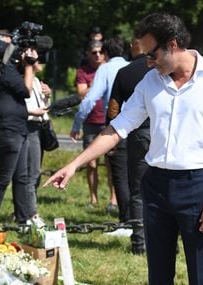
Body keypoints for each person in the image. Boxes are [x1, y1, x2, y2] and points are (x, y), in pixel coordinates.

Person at [44, 13, 203, 285]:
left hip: (199, 186)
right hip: (156, 187)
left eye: (151, 55)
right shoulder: (151, 81)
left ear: (172, 45)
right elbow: (118, 127)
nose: (148, 63)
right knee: (159, 279)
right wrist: (74, 164)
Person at [0, 30, 41, 224]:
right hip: (9, 130)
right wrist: (29, 66)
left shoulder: (2, 69)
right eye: (7, 44)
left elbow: (11, 101)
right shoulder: (2, 70)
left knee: (21, 177)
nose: (12, 48)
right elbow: (26, 90)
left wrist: (28, 64)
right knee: (3, 179)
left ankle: (22, 220)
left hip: (17, 127)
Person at [71, 36, 130, 220]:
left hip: (113, 124)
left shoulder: (105, 69)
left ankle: (125, 217)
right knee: (127, 172)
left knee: (116, 169)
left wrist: (76, 123)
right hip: (135, 125)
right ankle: (130, 213)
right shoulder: (132, 67)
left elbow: (90, 99)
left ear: (105, 53)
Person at [107, 37, 151, 254]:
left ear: (135, 48)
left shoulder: (125, 72)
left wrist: (112, 137)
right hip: (166, 134)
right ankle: (167, 241)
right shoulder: (163, 69)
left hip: (139, 134)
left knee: (138, 191)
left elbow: (113, 107)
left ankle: (140, 244)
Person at [74, 40, 116, 208]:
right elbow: (81, 93)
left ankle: (113, 199)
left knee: (111, 163)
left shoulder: (110, 69)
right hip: (91, 122)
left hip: (109, 121)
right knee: (91, 163)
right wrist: (96, 84)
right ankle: (93, 198)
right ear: (87, 54)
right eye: (94, 52)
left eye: (100, 52)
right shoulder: (83, 71)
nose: (97, 55)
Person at [25, 60, 51, 221]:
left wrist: (47, 96)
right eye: (39, 59)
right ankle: (31, 213)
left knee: (35, 172)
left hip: (39, 127)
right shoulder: (25, 80)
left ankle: (24, 210)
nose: (42, 62)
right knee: (32, 172)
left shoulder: (35, 80)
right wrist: (33, 112)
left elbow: (44, 107)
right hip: (29, 127)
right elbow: (21, 106)